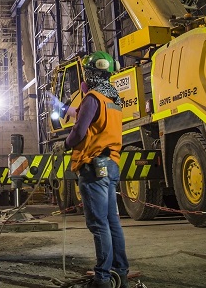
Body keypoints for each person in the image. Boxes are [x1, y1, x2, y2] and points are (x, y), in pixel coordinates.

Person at [64, 51, 130, 288]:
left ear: (91, 74)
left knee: (98, 224)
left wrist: (67, 142)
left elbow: (79, 132)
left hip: (93, 166)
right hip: (111, 164)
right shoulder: (114, 100)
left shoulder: (92, 98)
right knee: (112, 222)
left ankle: (102, 278)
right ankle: (120, 273)